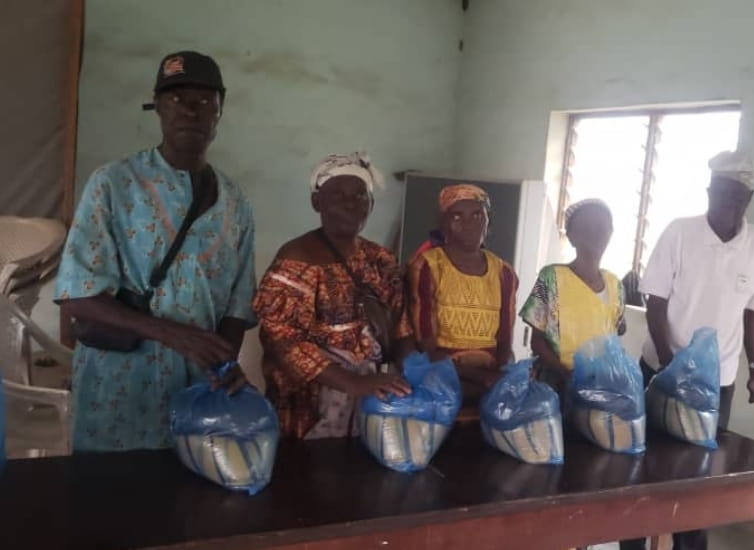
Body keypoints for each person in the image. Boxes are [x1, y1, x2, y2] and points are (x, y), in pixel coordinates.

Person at [55, 51, 256, 452]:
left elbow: (238, 306)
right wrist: (172, 334)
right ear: (158, 106)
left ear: (220, 109)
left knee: (188, 485)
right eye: (176, 99)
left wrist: (225, 364)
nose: (190, 111)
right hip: (118, 388)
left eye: (204, 101)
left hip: (195, 393)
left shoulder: (235, 202)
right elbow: (78, 294)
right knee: (110, 486)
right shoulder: (113, 184)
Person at [620, 150, 754, 550]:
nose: (727, 202)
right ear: (708, 191)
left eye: (736, 195)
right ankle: (633, 542)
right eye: (720, 192)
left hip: (717, 383)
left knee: (698, 474)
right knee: (645, 465)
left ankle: (689, 544)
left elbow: (752, 311)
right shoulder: (680, 232)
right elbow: (655, 301)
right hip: (662, 371)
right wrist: (669, 365)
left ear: (748, 199)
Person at [253, 152, 413, 439]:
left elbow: (402, 323)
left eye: (360, 195)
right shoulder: (298, 258)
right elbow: (281, 338)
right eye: (338, 194)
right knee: (315, 466)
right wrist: (351, 382)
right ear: (317, 202)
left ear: (371, 204)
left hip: (372, 398)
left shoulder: (380, 259)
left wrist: (410, 373)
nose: (350, 203)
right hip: (310, 408)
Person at [406, 184, 518, 400]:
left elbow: (505, 337)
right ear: (443, 224)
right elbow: (425, 343)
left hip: (491, 374)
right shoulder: (428, 266)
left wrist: (500, 375)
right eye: (457, 217)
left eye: (477, 215)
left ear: (488, 222)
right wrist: (479, 377)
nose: (469, 224)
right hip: (441, 376)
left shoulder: (504, 272)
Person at [520, 199, 625, 408]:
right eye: (585, 229)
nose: (595, 235)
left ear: (610, 233)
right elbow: (537, 342)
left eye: (601, 228)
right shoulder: (551, 277)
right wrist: (567, 375)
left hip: (599, 385)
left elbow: (615, 338)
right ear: (571, 237)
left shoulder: (616, 285)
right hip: (555, 382)